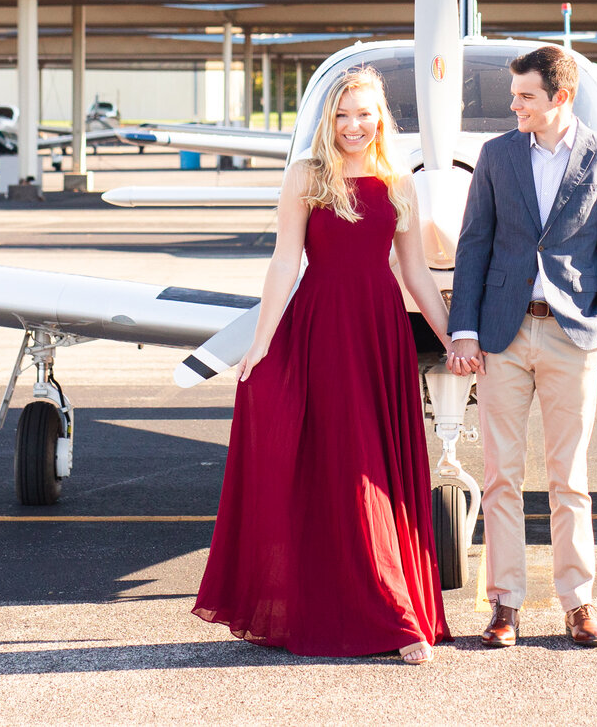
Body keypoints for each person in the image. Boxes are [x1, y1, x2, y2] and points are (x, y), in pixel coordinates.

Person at [193, 65, 452, 662]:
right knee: (348, 466)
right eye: (342, 115)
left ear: (381, 118)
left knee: (377, 471)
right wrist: (258, 343)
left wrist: (455, 338)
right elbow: (285, 263)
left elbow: (416, 274)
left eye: (365, 114)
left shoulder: (398, 182)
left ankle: (388, 605)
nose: (353, 126)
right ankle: (394, 616)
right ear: (326, 119)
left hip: (380, 334)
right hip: (322, 330)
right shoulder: (307, 176)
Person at [445, 44, 597, 649]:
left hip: (572, 335)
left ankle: (577, 603)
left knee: (568, 477)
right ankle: (504, 606)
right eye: (514, 94)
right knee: (501, 475)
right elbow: (474, 245)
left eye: (526, 95)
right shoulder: (496, 156)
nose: (514, 104)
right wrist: (465, 329)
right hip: (502, 335)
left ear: (560, 97)